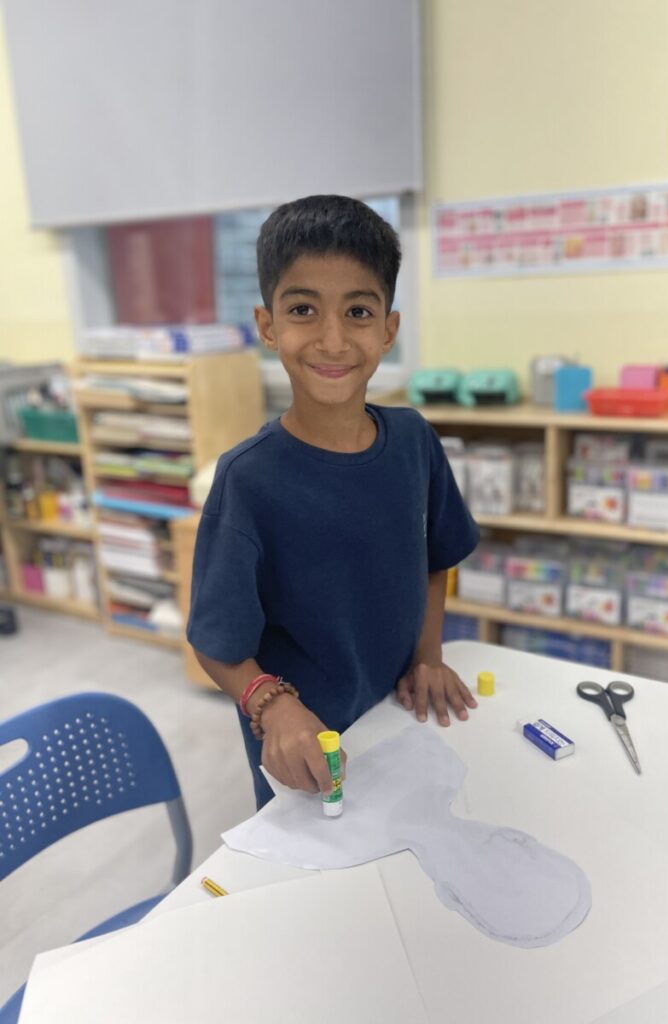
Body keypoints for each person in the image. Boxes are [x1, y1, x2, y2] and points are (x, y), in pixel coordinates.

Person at [187, 195, 480, 809]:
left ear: (388, 330)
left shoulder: (413, 441)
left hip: (401, 719)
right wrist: (272, 704)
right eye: (303, 310)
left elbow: (437, 557)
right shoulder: (247, 480)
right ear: (269, 325)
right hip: (308, 752)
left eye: (358, 311)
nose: (332, 339)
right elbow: (216, 643)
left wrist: (428, 656)